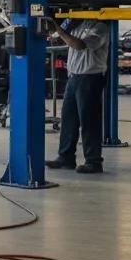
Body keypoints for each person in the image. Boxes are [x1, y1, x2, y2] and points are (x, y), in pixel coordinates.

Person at [45, 18, 110, 174]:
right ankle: (65, 157)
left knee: (89, 121)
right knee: (68, 120)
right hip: (73, 77)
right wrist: (56, 30)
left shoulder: (100, 28)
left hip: (90, 78)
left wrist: (59, 29)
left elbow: (79, 45)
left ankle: (94, 161)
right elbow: (63, 39)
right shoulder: (78, 26)